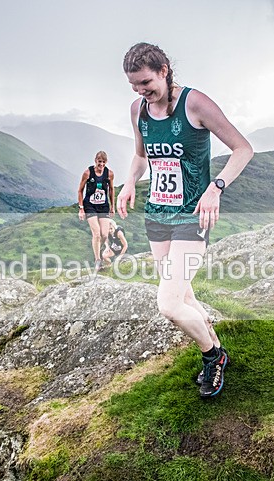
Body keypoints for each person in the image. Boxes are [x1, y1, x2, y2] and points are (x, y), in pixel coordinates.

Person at [117, 42, 253, 398]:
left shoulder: (195, 104)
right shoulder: (138, 110)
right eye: (134, 86)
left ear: (164, 70)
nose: (142, 91)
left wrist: (216, 187)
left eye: (146, 82)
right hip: (157, 216)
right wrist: (130, 180)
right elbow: (139, 154)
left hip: (193, 216)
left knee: (169, 305)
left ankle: (214, 356)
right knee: (184, 295)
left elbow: (243, 148)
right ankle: (215, 346)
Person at [78, 151, 115, 270]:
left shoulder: (109, 173)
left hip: (103, 206)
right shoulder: (88, 172)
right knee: (97, 234)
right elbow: (80, 190)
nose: (102, 165)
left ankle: (98, 250)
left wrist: (112, 206)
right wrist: (81, 208)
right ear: (95, 160)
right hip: (90, 205)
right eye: (100, 162)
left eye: (104, 162)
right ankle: (98, 260)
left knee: (104, 234)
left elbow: (111, 190)